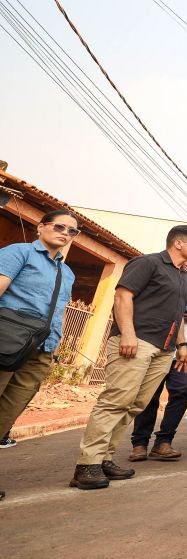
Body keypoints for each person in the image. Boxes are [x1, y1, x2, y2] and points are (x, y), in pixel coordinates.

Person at [72, 224, 187, 491]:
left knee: (135, 404)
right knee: (116, 400)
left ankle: (105, 458)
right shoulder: (148, 263)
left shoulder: (181, 276)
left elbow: (176, 314)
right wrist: (128, 334)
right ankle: (87, 464)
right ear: (178, 243)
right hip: (137, 341)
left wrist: (181, 346)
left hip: (164, 349)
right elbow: (122, 296)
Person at [0, 210, 78, 501]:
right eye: (60, 227)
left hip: (42, 348)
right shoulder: (19, 252)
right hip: (8, 340)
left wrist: (54, 346)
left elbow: (57, 312)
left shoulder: (65, 272)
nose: (66, 234)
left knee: (7, 414)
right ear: (41, 227)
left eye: (72, 231)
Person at [129, 256, 187, 461]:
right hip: (157, 349)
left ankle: (164, 442)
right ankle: (139, 443)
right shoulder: (166, 282)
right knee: (148, 396)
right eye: (184, 263)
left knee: (181, 393)